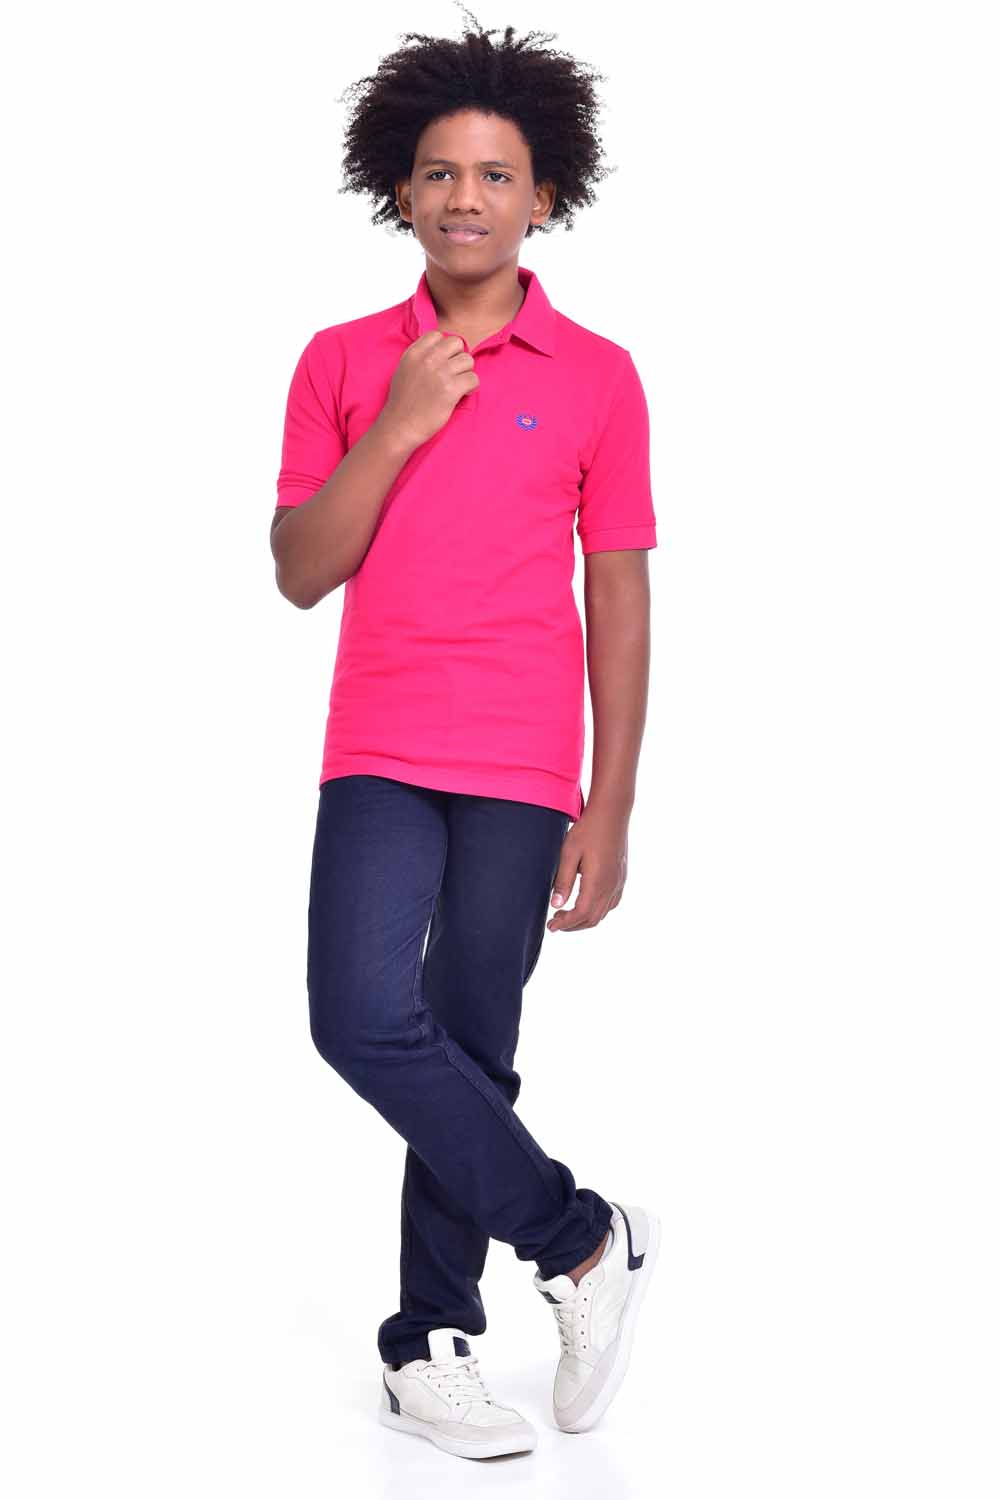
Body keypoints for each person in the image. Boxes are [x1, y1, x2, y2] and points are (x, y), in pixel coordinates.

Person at [271, 10, 661, 1461]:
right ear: (400, 189)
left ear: (544, 195)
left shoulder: (599, 375)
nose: (466, 198)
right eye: (440, 172)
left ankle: (431, 1342)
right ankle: (582, 1239)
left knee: (473, 1044)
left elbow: (618, 597)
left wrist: (610, 803)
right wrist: (398, 424)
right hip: (378, 745)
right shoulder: (344, 360)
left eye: (497, 175)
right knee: (362, 1019)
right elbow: (301, 570)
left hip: (519, 760)